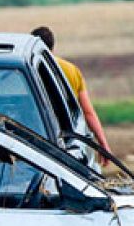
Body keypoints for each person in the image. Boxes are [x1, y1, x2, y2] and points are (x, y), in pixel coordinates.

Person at [31, 26, 112, 162]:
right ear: (52, 47)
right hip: (68, 137)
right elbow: (88, 113)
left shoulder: (31, 69)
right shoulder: (71, 70)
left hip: (38, 134)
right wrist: (103, 145)